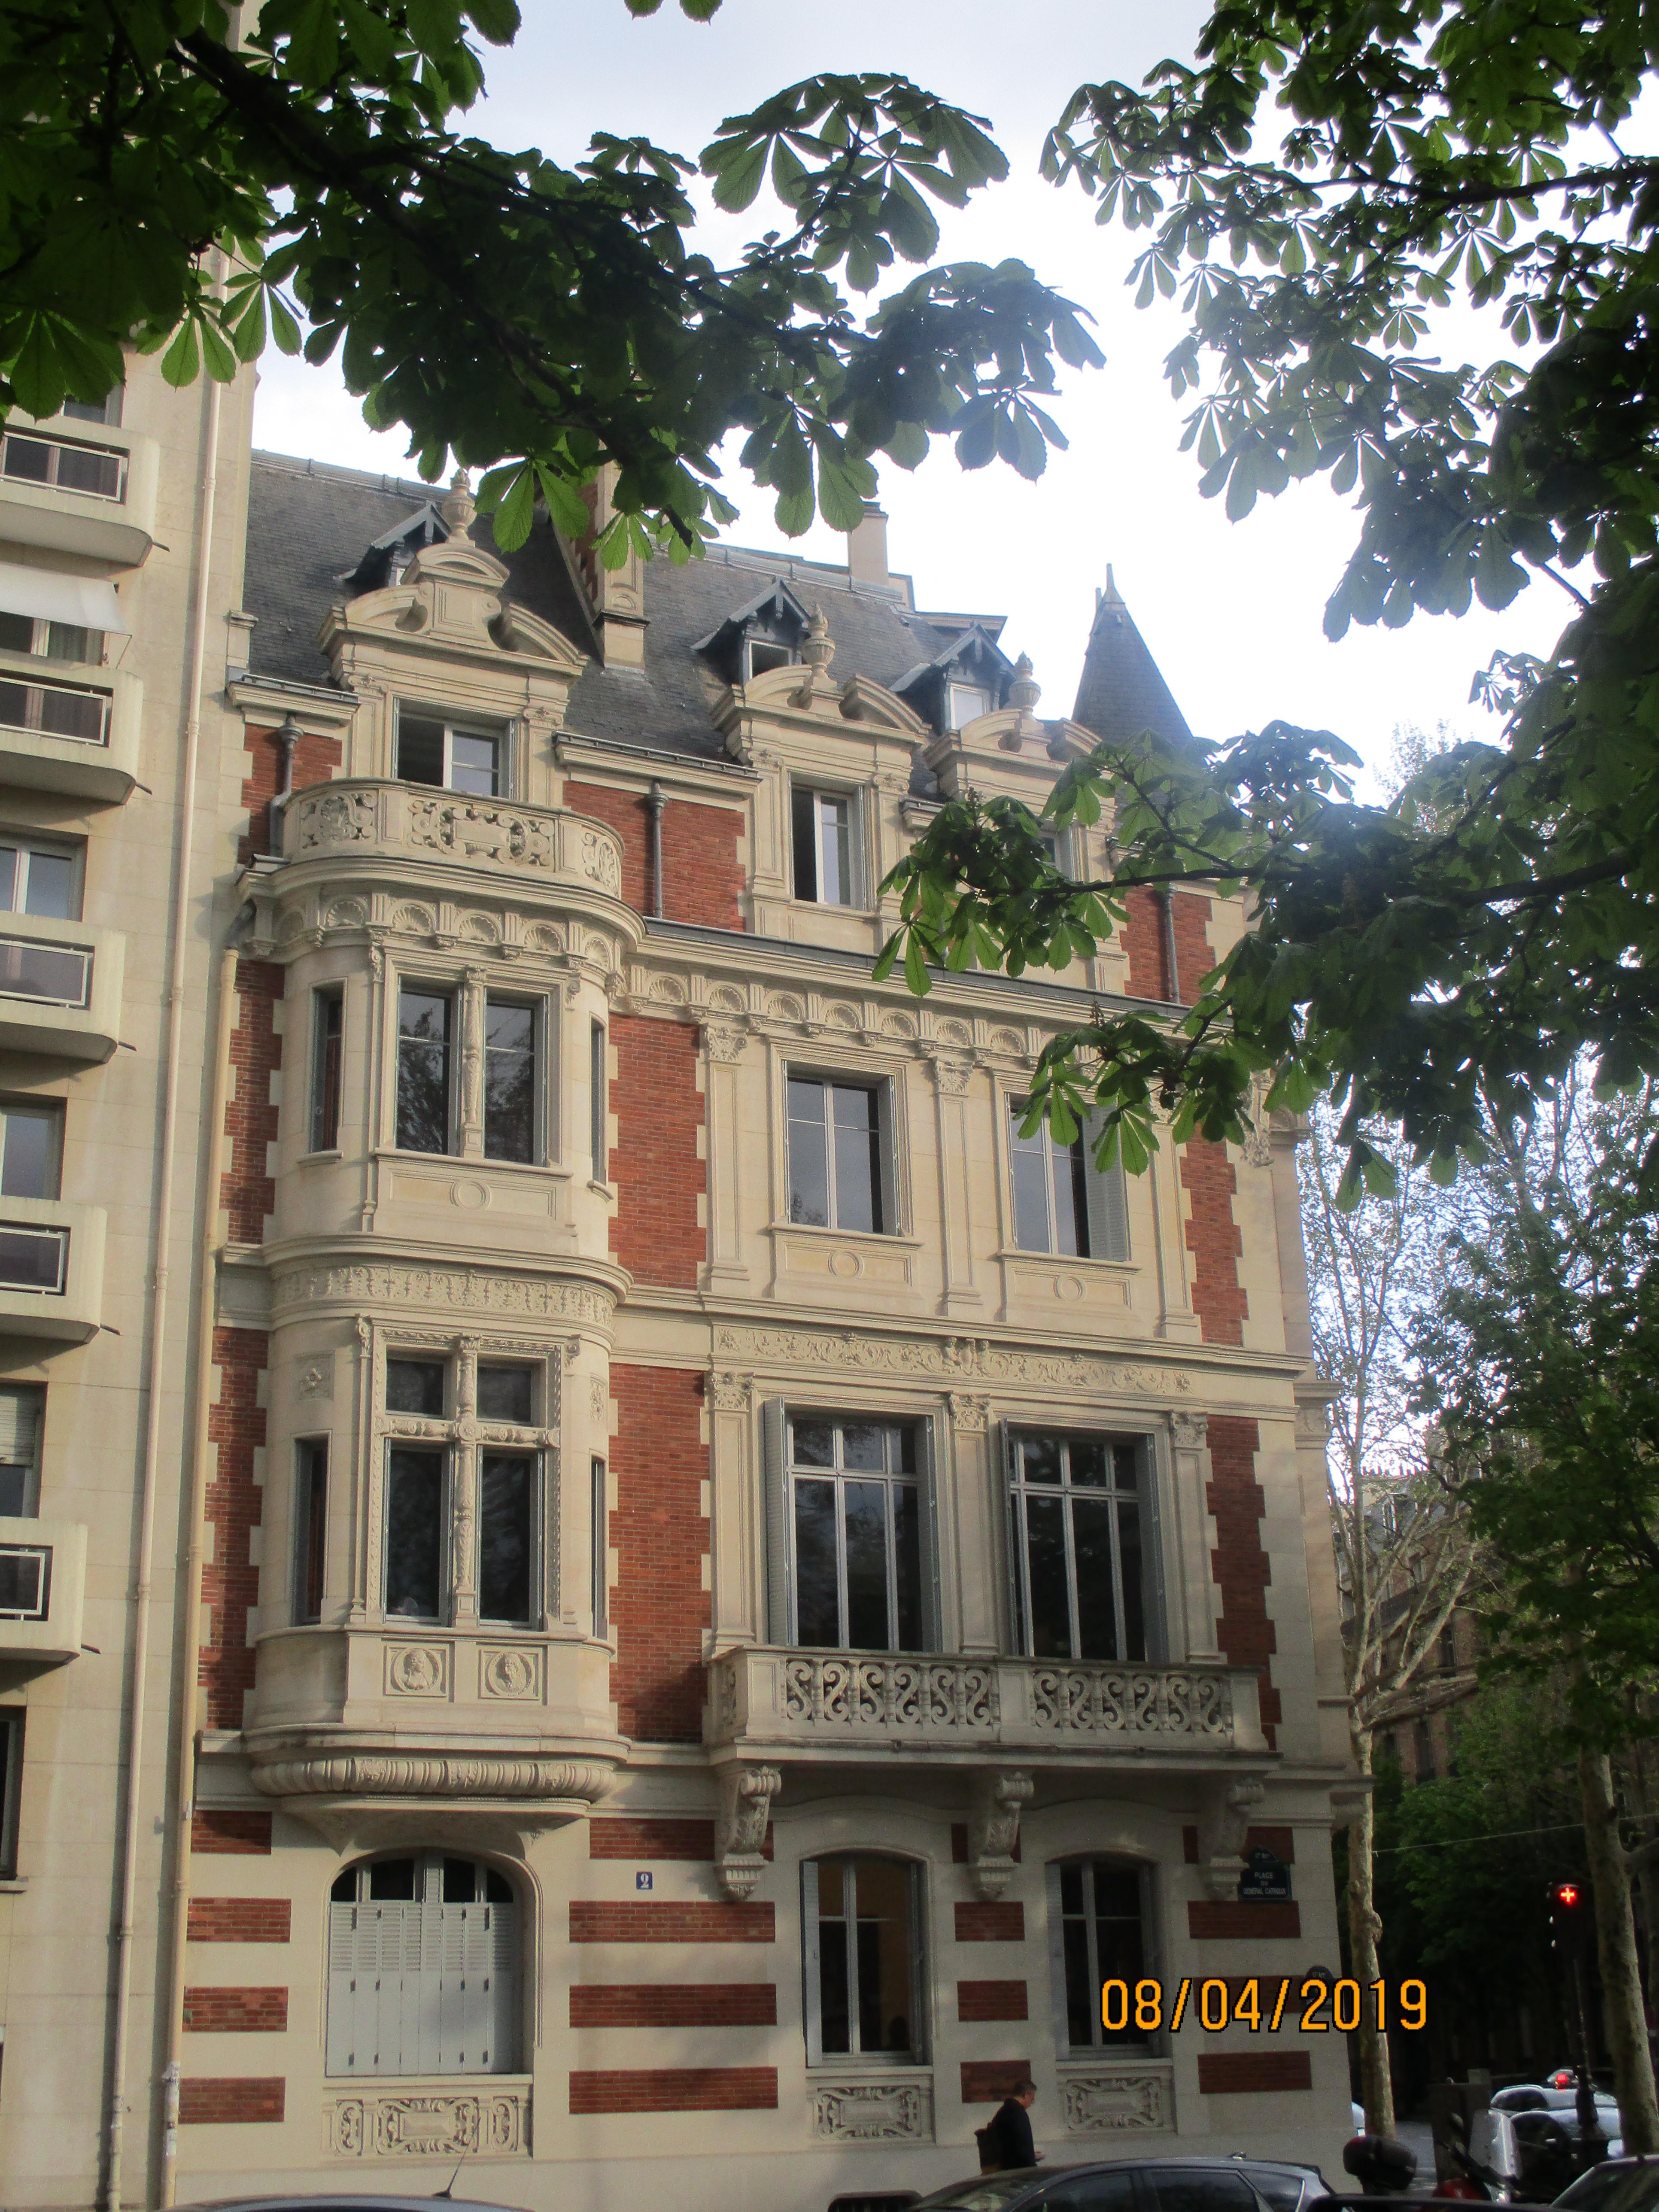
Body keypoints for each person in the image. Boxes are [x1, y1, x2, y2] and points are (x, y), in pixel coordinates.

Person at [983, 2079, 1041, 2171]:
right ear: (1027, 2095)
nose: (1032, 2101)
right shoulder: (1019, 2113)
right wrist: (1031, 2161)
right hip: (1019, 2169)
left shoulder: (1003, 2111)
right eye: (1032, 2098)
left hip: (1005, 2167)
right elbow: (1022, 2143)